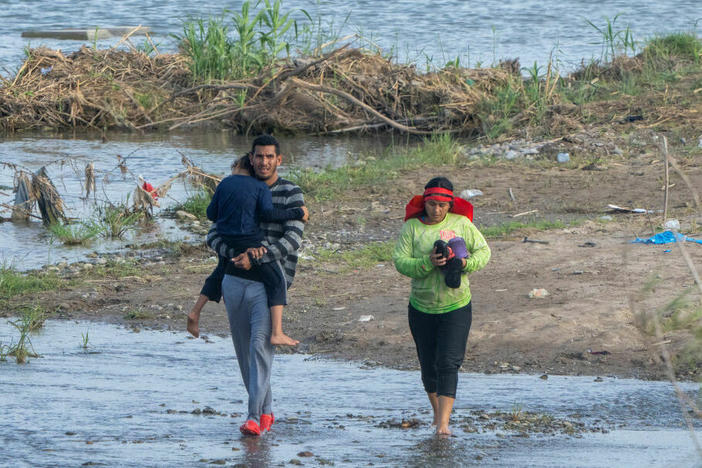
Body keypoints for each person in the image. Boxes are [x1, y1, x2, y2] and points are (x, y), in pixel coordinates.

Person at [194, 135, 307, 437]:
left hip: (268, 286)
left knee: (260, 348)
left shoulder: (290, 192)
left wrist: (258, 257)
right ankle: (266, 411)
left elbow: (293, 239)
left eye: (269, 157)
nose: (264, 162)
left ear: (278, 160)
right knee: (245, 352)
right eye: (259, 156)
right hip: (234, 279)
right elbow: (213, 233)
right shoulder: (236, 188)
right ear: (251, 158)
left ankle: (253, 416)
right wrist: (234, 255)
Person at [392, 176, 490, 436]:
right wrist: (427, 262)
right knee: (428, 366)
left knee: (448, 362)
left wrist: (464, 264)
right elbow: (400, 261)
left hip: (456, 305)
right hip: (421, 307)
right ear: (424, 202)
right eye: (432, 204)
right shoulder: (411, 228)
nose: (436, 210)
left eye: (442, 206)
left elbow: (484, 252)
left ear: (450, 205)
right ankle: (438, 417)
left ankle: (444, 425)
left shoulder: (462, 224)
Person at [204, 154, 308, 346]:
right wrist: (299, 212)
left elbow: (211, 217)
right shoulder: (258, 188)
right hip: (255, 252)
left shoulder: (225, 185)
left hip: (232, 255)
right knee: (278, 281)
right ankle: (277, 332)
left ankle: (195, 312)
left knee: (219, 270)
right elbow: (269, 214)